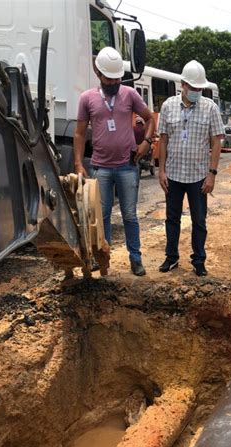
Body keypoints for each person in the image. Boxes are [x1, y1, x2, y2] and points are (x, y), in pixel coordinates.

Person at [74, 47, 155, 276]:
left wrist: (146, 142)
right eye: (109, 78)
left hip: (127, 166)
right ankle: (103, 257)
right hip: (100, 167)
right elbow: (79, 134)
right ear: (98, 73)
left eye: (117, 78)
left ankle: (135, 259)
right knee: (102, 216)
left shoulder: (129, 94)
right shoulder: (87, 98)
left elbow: (149, 118)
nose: (114, 82)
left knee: (130, 215)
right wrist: (78, 164)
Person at [157, 60, 225, 277]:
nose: (197, 91)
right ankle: (171, 257)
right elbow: (164, 140)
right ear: (183, 85)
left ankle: (198, 260)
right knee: (172, 218)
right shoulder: (168, 106)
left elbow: (216, 142)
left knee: (199, 220)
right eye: (193, 87)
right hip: (174, 175)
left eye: (199, 88)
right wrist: (161, 171)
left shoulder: (210, 109)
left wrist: (212, 174)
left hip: (198, 177)